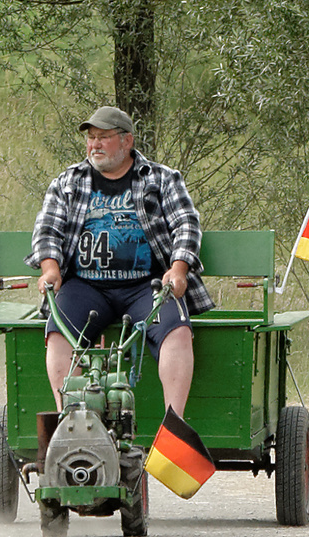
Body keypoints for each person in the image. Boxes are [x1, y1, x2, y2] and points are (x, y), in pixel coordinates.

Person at [28, 106, 210, 418]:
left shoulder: (161, 179)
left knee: (177, 331)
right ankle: (67, 420)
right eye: (90, 138)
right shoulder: (69, 181)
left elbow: (187, 225)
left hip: (147, 287)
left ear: (127, 141)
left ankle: (173, 425)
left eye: (103, 138)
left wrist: (178, 268)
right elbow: (48, 229)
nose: (94, 145)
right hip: (86, 286)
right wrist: (50, 267)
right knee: (57, 330)